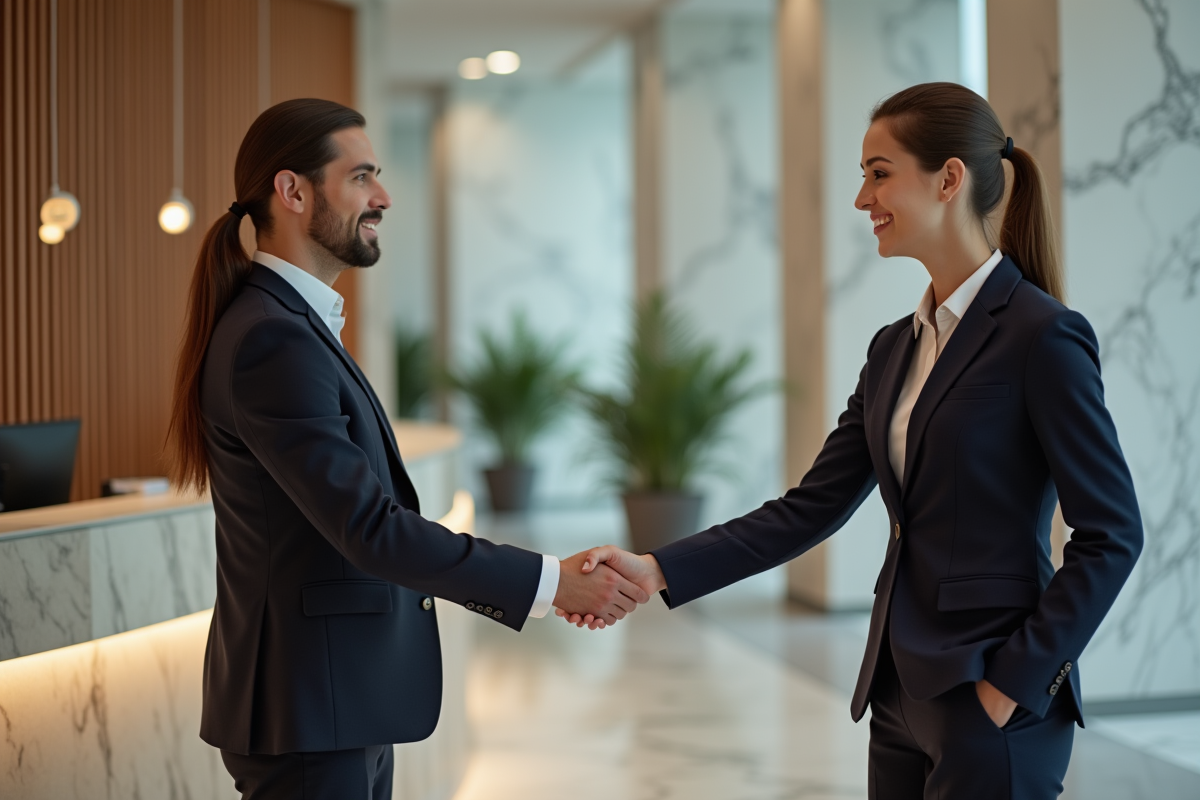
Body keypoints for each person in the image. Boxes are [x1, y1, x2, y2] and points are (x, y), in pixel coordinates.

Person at [561, 82, 1143, 799]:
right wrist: (656, 568)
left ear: (949, 178)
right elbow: (810, 508)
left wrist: (1016, 683)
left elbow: (1112, 533)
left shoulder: (1042, 335)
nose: (862, 200)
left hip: (989, 698)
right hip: (897, 695)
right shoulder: (893, 348)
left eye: (878, 174)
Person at [165, 98, 648, 799]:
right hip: (309, 710)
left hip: (333, 702)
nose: (383, 197)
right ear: (293, 191)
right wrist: (548, 581)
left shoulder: (289, 326)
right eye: (361, 177)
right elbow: (368, 528)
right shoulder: (271, 338)